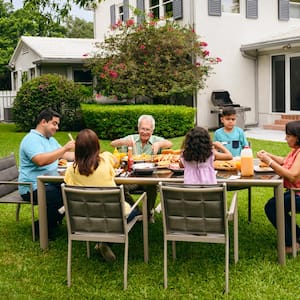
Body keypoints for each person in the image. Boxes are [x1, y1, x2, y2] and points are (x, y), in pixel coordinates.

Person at [64, 128, 139, 262]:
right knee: (135, 210)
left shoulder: (71, 170)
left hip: (85, 218)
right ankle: (105, 242)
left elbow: (68, 183)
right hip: (113, 216)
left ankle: (102, 242)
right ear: (97, 145)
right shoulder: (105, 159)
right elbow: (116, 162)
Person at [18, 108, 75, 240]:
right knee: (61, 195)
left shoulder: (49, 139)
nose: (57, 127)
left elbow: (64, 155)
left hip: (50, 181)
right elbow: (40, 160)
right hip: (32, 187)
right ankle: (41, 226)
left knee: (72, 190)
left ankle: (51, 220)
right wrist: (64, 148)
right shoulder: (31, 140)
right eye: (54, 123)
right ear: (43, 122)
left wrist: (86, 154)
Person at [111, 114, 173, 222]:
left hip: (149, 177)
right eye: (142, 129)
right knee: (118, 186)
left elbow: (169, 143)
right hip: (132, 177)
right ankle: (136, 210)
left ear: (152, 130)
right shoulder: (132, 138)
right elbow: (112, 143)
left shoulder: (155, 139)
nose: (145, 132)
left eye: (148, 129)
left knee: (152, 186)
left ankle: (148, 213)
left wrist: (159, 144)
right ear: (138, 128)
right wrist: (124, 142)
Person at [257, 120, 300, 254]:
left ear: (297, 137)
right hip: (295, 192)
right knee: (274, 204)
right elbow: (284, 161)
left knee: (273, 206)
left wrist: (269, 162)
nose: (285, 138)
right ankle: (297, 235)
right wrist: (269, 155)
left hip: (298, 194)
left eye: (288, 136)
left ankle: (291, 243)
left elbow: (293, 176)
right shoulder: (295, 151)